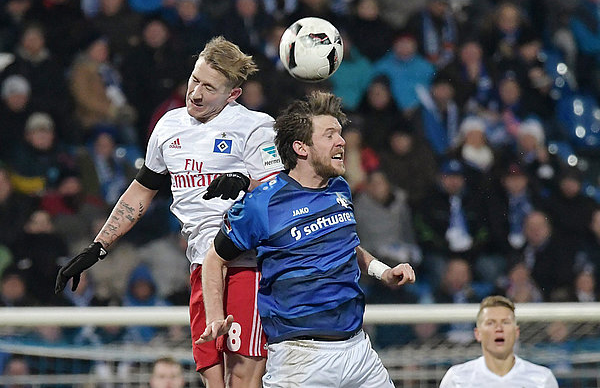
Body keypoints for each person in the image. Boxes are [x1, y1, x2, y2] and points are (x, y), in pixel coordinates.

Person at [55, 36, 284, 388]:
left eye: (210, 87)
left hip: (246, 264)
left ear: (233, 94)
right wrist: (97, 247)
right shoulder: (168, 126)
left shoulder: (255, 127)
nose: (196, 93)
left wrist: (243, 181)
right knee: (213, 377)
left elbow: (282, 192)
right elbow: (142, 190)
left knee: (243, 374)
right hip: (199, 267)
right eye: (195, 80)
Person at [198, 91, 416, 387]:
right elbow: (214, 259)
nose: (342, 142)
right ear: (301, 148)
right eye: (330, 135)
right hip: (300, 358)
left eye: (340, 134)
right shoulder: (262, 204)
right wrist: (214, 316)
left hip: (359, 351)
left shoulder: (340, 187)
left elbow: (345, 243)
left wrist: (383, 271)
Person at [439, 295, 559, 387]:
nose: (499, 329)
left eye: (505, 322)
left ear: (516, 332)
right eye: (491, 323)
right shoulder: (457, 378)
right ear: (478, 333)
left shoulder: (542, 379)